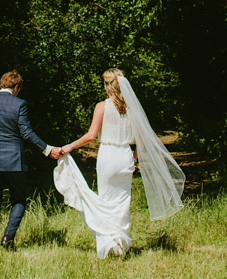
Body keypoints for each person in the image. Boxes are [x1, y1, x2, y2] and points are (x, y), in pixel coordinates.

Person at [54, 68, 185, 258]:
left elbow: (91, 135)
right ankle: (121, 241)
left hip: (108, 156)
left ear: (108, 86)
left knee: (106, 200)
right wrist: (134, 157)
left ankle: (110, 242)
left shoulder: (102, 106)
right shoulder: (133, 108)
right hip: (125, 157)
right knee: (122, 202)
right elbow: (142, 138)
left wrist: (69, 146)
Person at [0, 70, 61, 250]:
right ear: (17, 87)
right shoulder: (20, 104)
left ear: (1, 84)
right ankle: (8, 237)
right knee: (19, 200)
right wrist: (47, 149)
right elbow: (26, 132)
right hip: (14, 161)